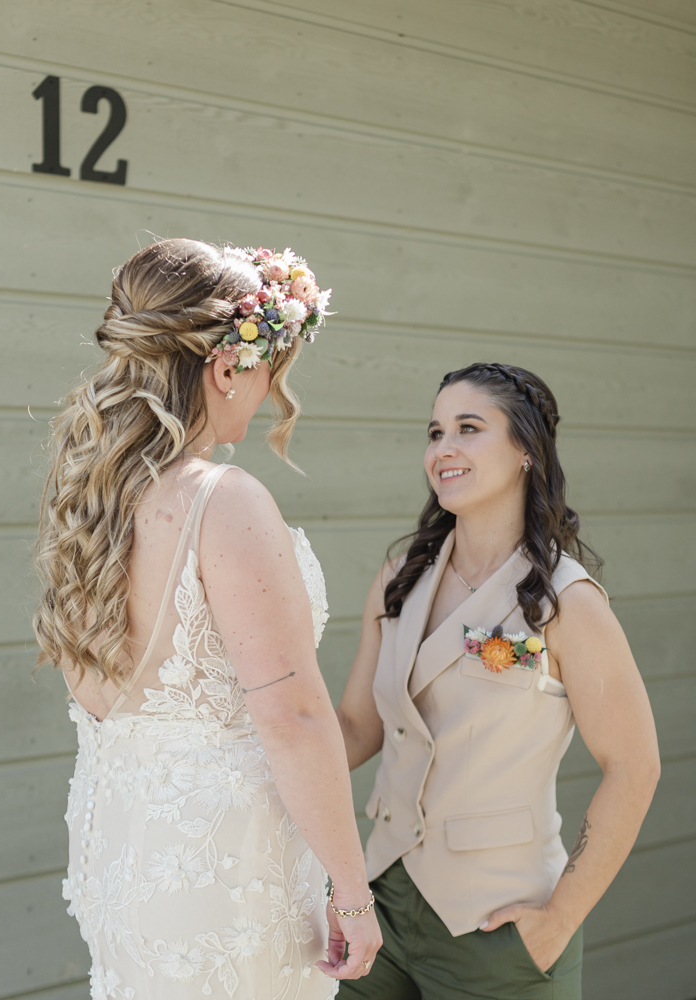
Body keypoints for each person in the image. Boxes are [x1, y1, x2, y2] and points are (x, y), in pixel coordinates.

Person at [33, 239, 381, 1000]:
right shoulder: (222, 499)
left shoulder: (89, 497)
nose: (267, 397)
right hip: (225, 863)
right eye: (268, 375)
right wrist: (351, 892)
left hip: (122, 843)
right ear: (227, 366)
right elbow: (292, 714)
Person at [335, 362, 660, 1000]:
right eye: (434, 432)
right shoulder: (401, 575)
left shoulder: (569, 601)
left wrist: (560, 919)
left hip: (498, 925)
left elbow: (635, 766)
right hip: (382, 905)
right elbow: (355, 727)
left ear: (524, 452)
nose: (443, 448)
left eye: (468, 428)